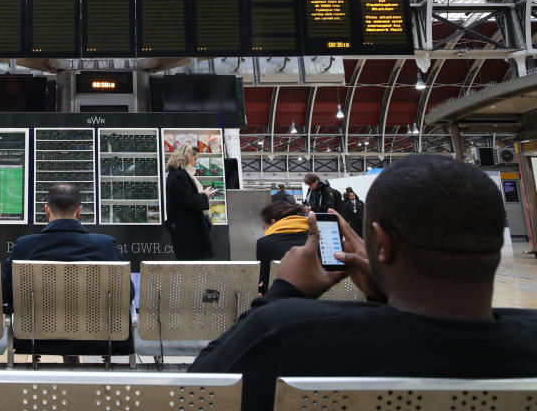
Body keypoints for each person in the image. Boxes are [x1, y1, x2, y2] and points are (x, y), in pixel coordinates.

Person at [189, 154, 537, 411]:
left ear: (381, 244)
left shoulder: (287, 334)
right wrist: (382, 296)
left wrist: (283, 293)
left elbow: (198, 392)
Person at [1, 183, 134, 360]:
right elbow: (128, 294)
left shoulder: (25, 246)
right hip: (99, 339)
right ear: (79, 211)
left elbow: (4, 292)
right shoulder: (105, 246)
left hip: (35, 339)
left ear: (47, 210)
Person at [164, 143, 217, 260]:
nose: (195, 162)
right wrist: (204, 195)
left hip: (186, 227)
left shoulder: (177, 174)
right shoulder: (179, 175)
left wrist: (203, 195)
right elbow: (187, 201)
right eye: (194, 159)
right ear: (187, 157)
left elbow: (185, 197)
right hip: (187, 229)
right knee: (192, 266)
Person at [255, 201, 308, 294]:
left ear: (273, 222)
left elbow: (264, 284)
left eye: (264, 227)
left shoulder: (265, 243)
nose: (264, 232)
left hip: (280, 302)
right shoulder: (317, 237)